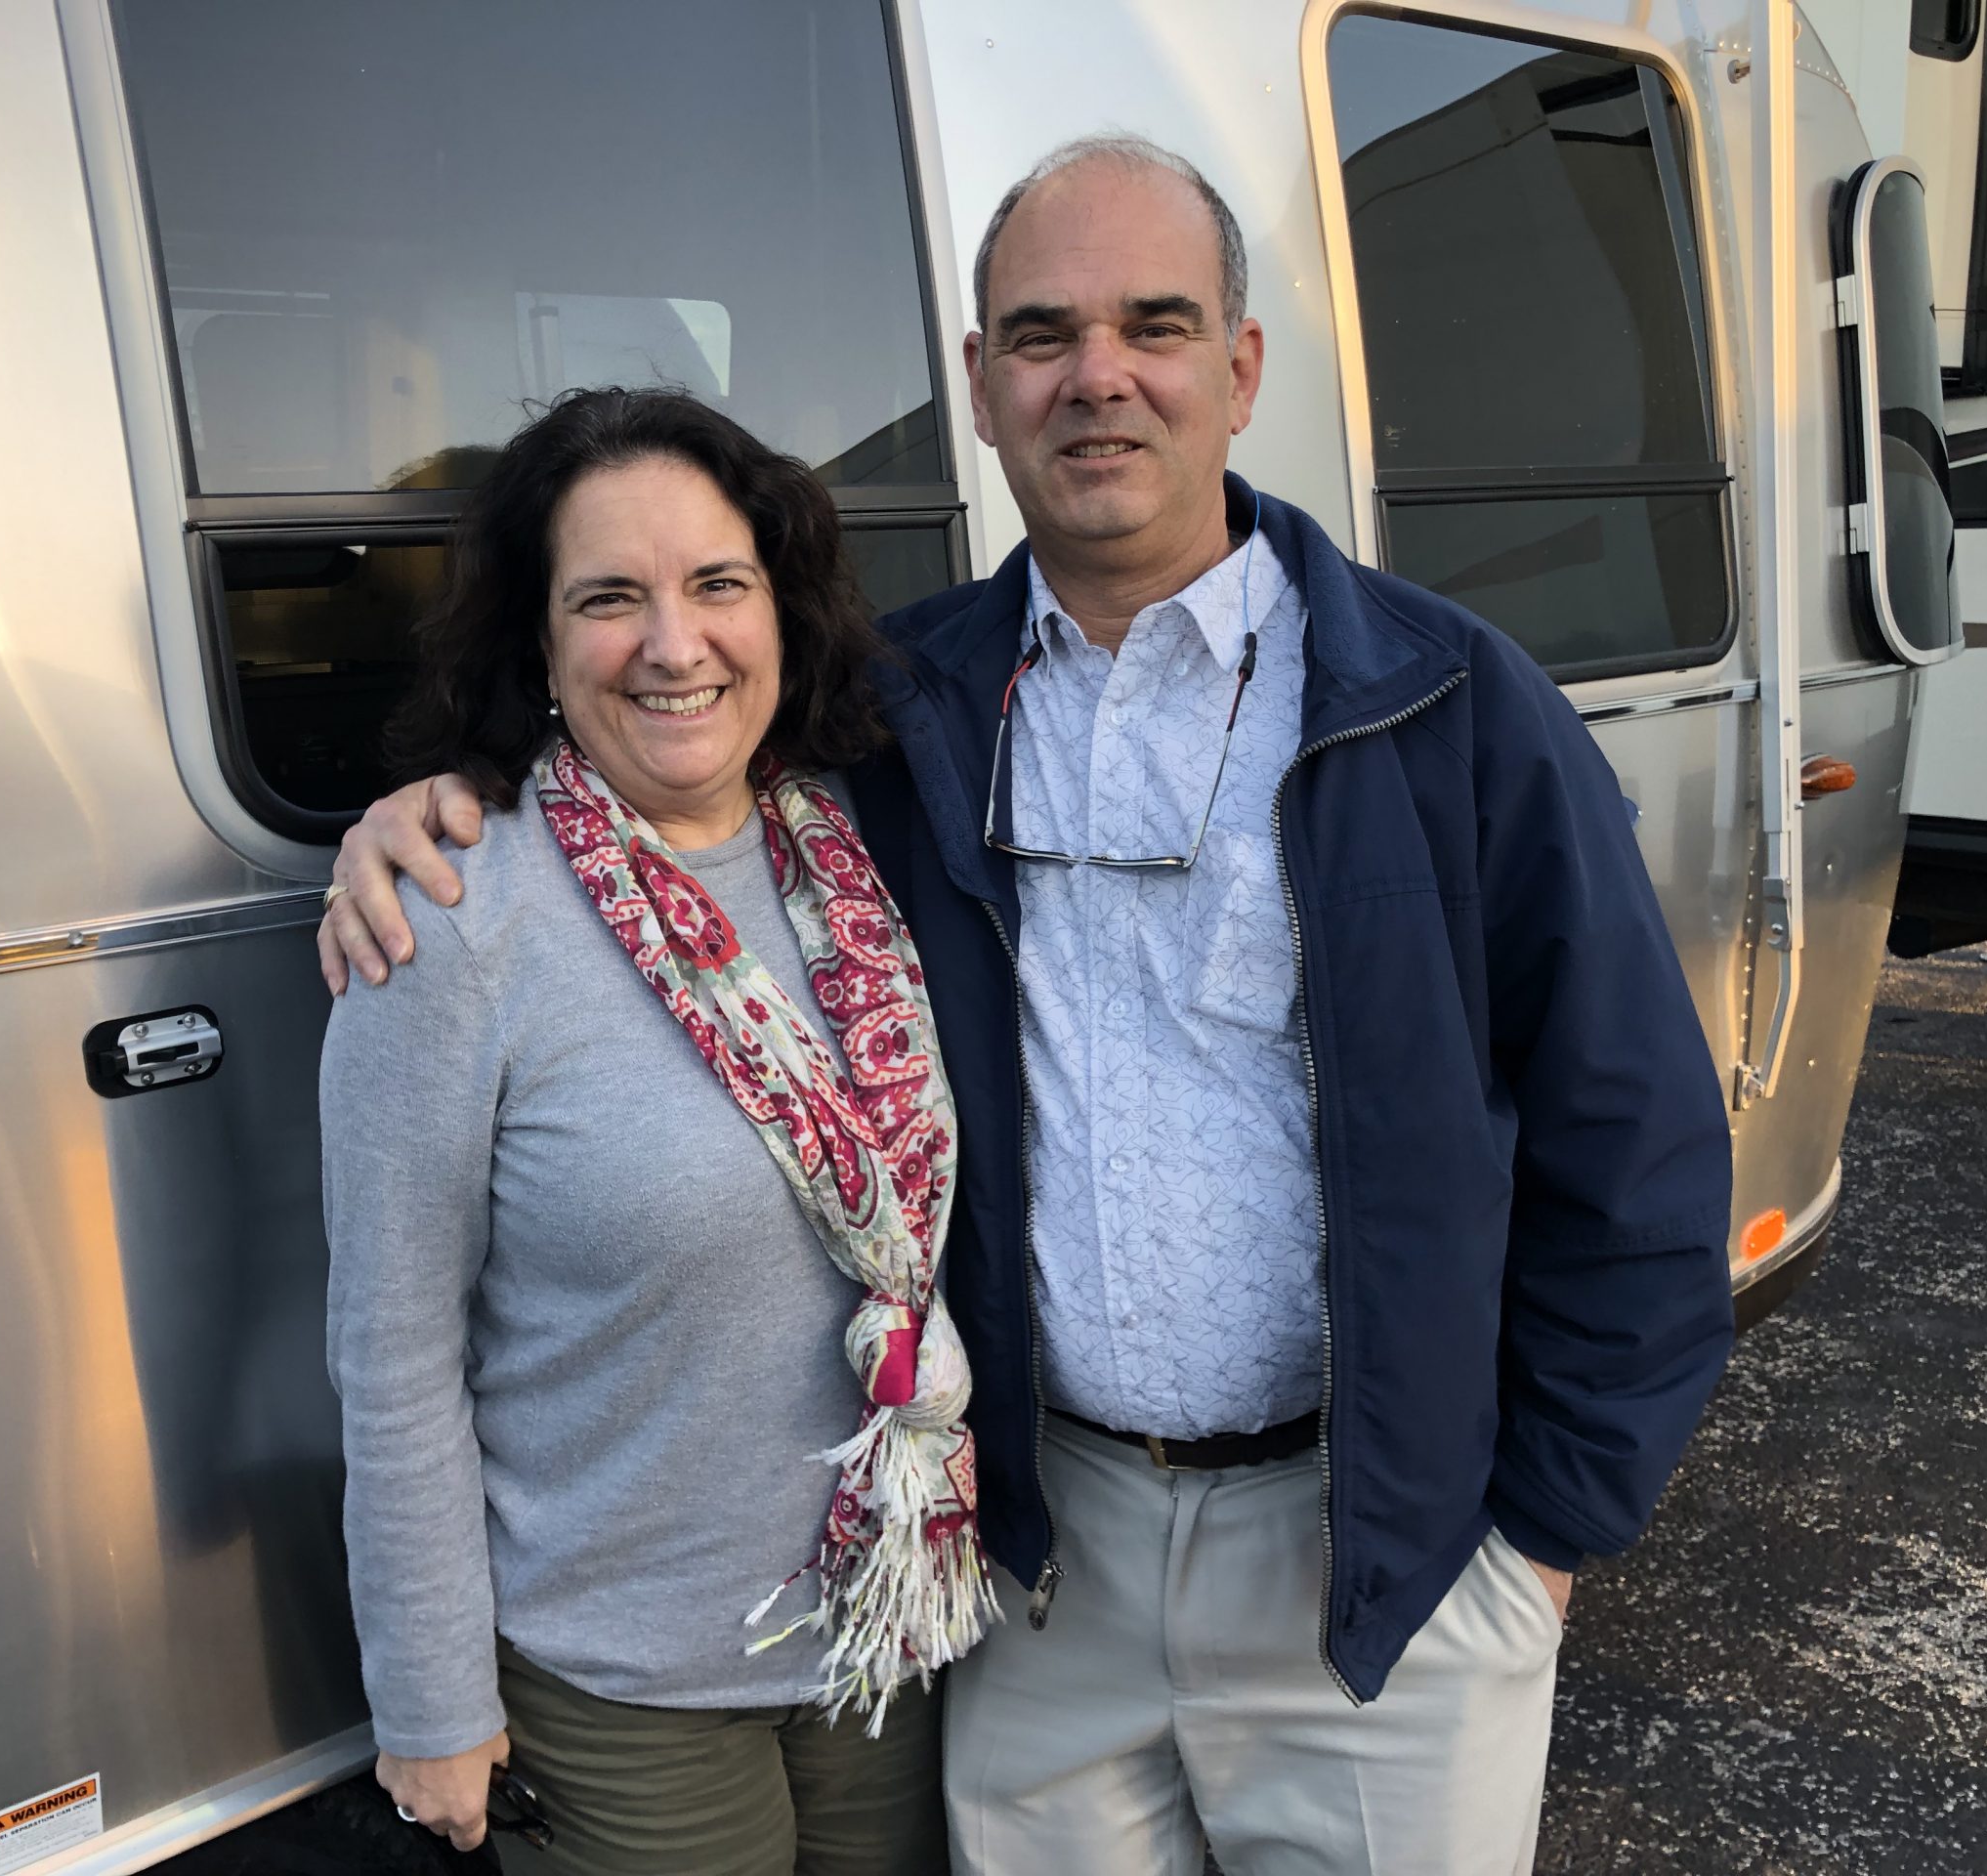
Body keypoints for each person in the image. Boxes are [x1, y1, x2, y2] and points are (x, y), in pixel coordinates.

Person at [323, 138, 1735, 1875]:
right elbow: (650, 758)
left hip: (1374, 1560)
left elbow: (1635, 1143)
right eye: (1043, 334)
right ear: (982, 386)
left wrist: (1546, 1532)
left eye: (1157, 324)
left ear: (1242, 368)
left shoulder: (1446, 708)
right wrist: (427, 812)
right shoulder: (898, 715)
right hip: (1033, 1563)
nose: (1099, 376)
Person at [318, 387, 994, 1875]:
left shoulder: (870, 843)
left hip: (892, 1618)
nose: (675, 645)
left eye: (718, 585)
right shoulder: (449, 920)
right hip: (624, 1680)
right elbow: (394, 1349)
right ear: (540, 642)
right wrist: (430, 1698)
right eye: (609, 598)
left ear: (782, 611)